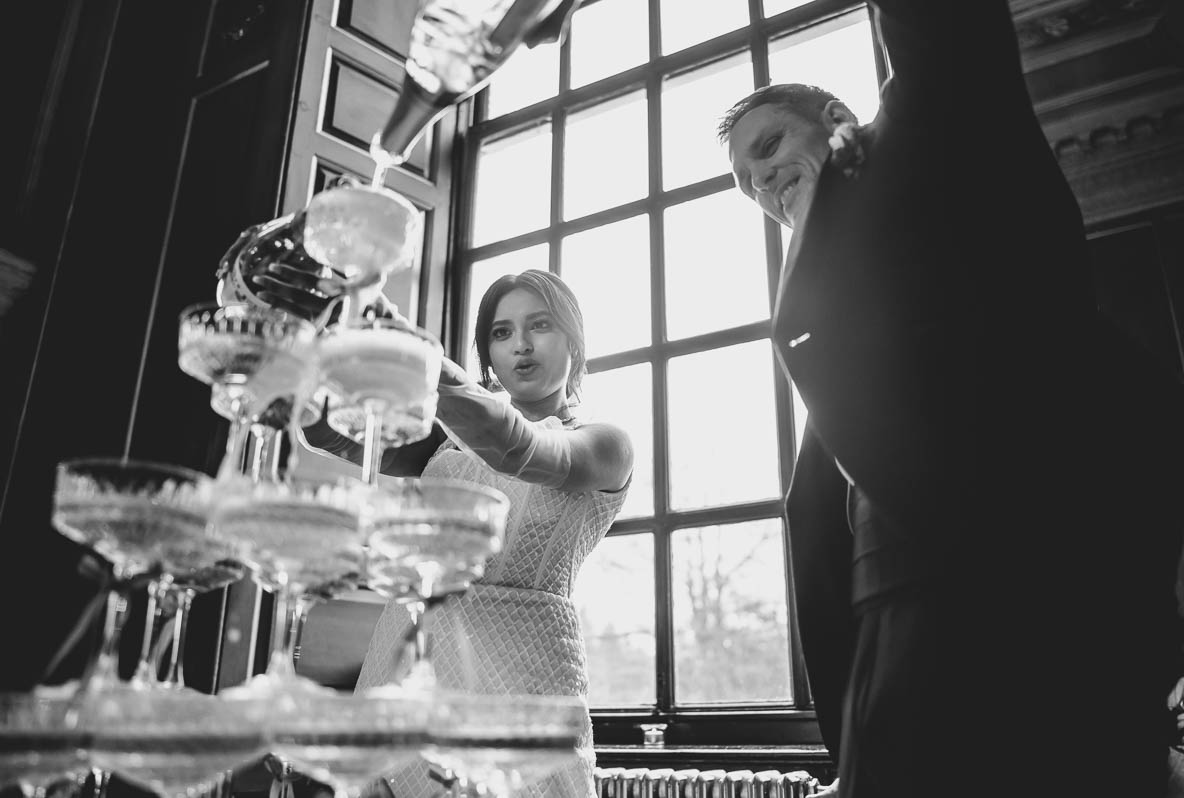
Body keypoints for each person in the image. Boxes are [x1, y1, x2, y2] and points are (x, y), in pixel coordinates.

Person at [720, 2, 1184, 796]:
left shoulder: (932, 140)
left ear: (834, 120)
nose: (762, 181)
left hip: (1049, 632)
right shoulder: (834, 317)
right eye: (745, 181)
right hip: (898, 692)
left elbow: (943, 30)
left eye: (769, 147)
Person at [302, 270, 633, 798]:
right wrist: (311, 331)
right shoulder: (443, 441)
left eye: (540, 325)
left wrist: (412, 348)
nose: (521, 345)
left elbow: (516, 447)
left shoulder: (605, 443)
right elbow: (329, 432)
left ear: (574, 340)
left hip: (522, 677)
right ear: (488, 355)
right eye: (502, 333)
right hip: (407, 658)